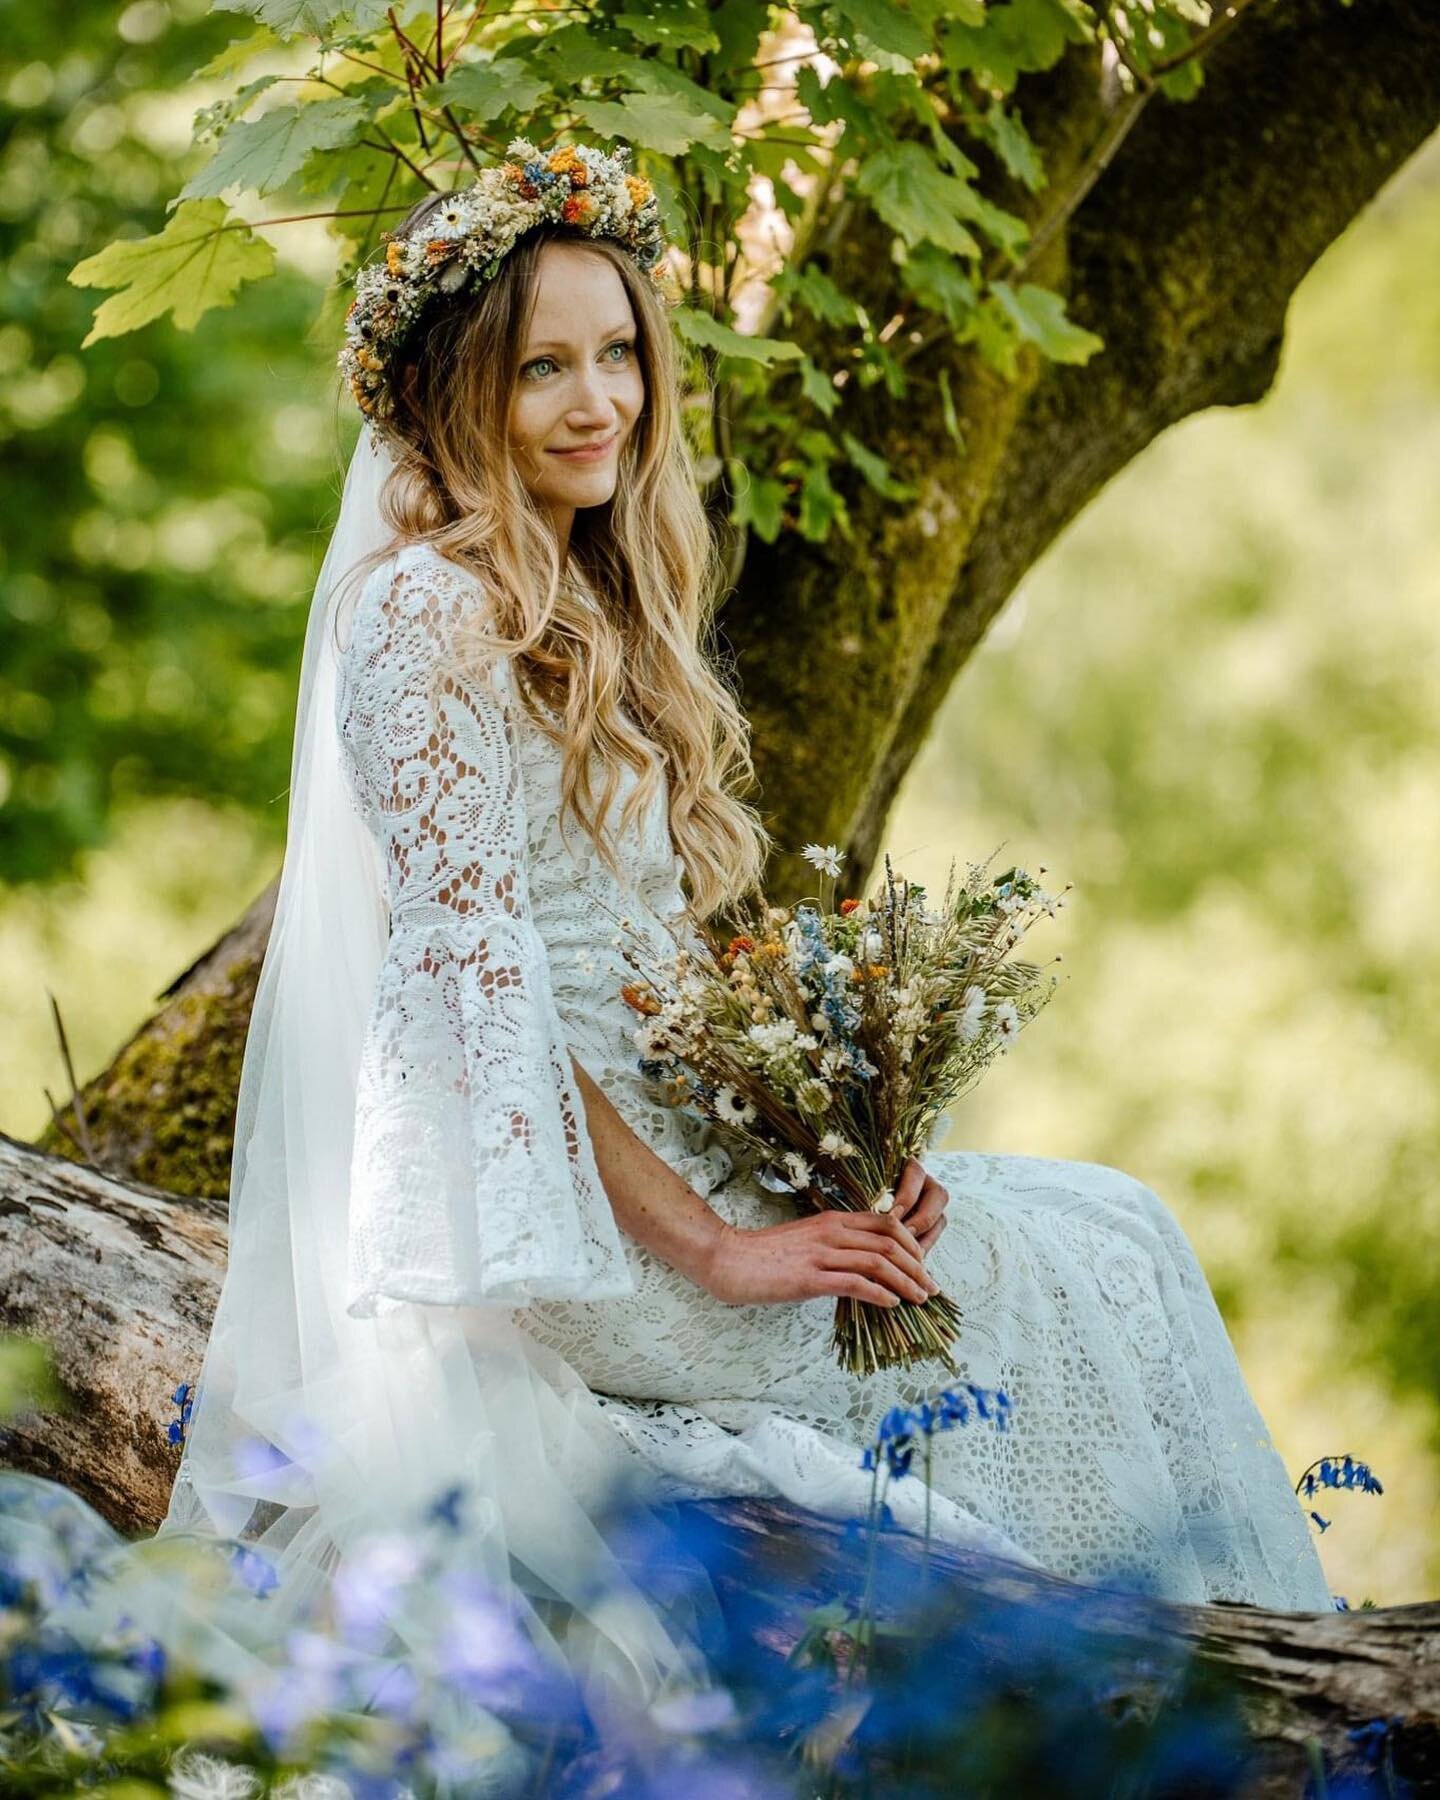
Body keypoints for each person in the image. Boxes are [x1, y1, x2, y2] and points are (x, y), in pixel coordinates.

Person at [160, 138, 1335, 1703]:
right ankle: (1190, 1709)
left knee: (1111, 1222)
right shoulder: (424, 615)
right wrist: (723, 1250)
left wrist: (826, 1159)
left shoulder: (586, 593)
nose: (602, 404)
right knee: (1052, 1286)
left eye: (620, 355)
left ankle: (1249, 1684)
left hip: (666, 1161)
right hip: (568, 1230)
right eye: (543, 372)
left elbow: (638, 982)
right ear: (456, 395)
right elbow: (475, 1017)